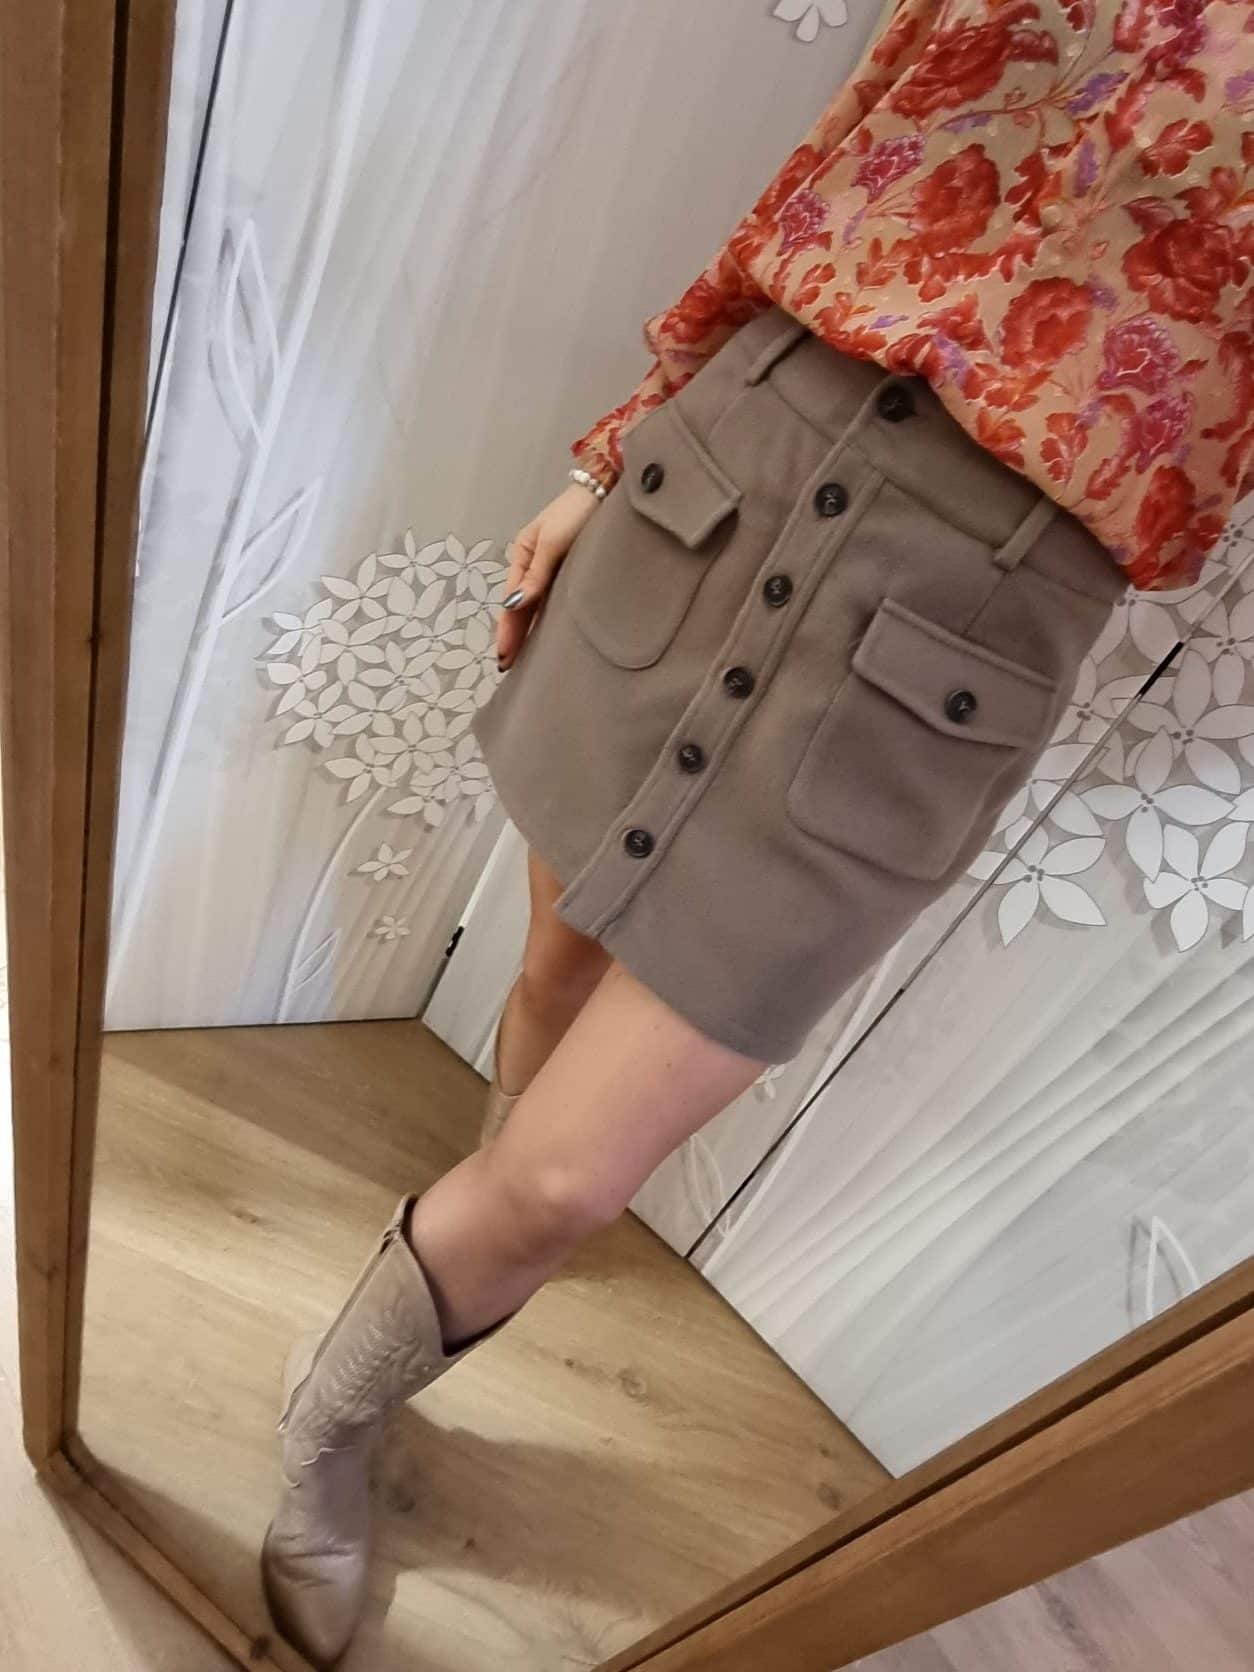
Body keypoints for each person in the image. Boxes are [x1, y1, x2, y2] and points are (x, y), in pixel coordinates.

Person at [262, 1, 1252, 1662]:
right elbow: (847, 144)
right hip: (731, 462)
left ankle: (332, 1413)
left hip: (971, 619)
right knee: (554, 975)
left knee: (568, 1179)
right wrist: (611, 451)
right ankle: (453, 1264)